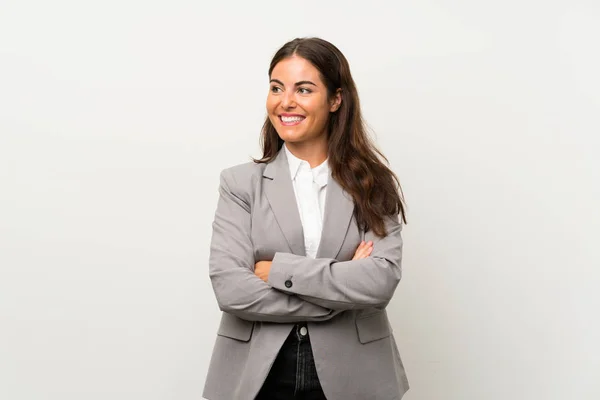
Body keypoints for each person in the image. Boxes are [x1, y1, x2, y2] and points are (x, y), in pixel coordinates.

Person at [203, 37, 409, 400]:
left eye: (304, 89)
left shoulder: (372, 184)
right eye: (276, 88)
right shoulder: (239, 184)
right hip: (257, 373)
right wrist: (340, 292)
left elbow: (380, 280)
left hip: (355, 370)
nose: (286, 102)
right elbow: (231, 289)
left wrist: (278, 272)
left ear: (335, 99)